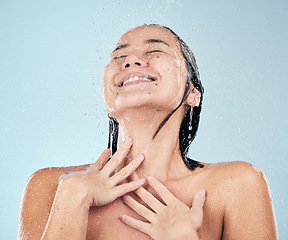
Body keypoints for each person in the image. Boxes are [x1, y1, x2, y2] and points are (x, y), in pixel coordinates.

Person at [18, 24, 277, 240]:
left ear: (192, 92)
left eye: (155, 50)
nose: (131, 60)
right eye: (119, 57)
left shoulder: (236, 184)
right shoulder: (51, 188)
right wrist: (72, 198)